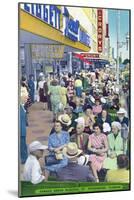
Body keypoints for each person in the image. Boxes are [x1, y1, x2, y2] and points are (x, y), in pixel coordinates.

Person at [20, 86, 29, 164]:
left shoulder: (21, 105)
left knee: (23, 146)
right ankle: (24, 159)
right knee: (22, 146)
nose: (26, 99)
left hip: (23, 129)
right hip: (21, 130)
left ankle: (25, 158)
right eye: (25, 98)